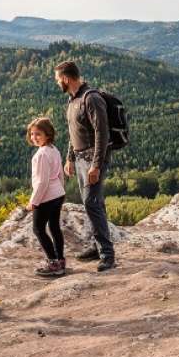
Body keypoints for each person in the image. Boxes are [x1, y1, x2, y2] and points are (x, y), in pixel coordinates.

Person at [55, 60, 115, 271]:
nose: (57, 83)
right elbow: (74, 132)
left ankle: (107, 254)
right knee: (93, 202)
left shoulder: (91, 98)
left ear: (65, 78)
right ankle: (97, 246)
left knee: (91, 201)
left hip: (93, 159)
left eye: (57, 79)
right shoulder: (73, 99)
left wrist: (96, 165)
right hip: (80, 158)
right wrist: (70, 157)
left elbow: (102, 133)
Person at [25, 117, 66, 278]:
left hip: (46, 198)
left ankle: (53, 263)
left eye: (38, 134)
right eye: (32, 134)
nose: (34, 137)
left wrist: (33, 202)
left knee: (38, 229)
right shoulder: (53, 149)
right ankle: (61, 260)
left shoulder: (41, 155)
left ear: (48, 135)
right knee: (54, 227)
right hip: (58, 195)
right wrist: (62, 190)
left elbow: (42, 182)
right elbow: (60, 173)